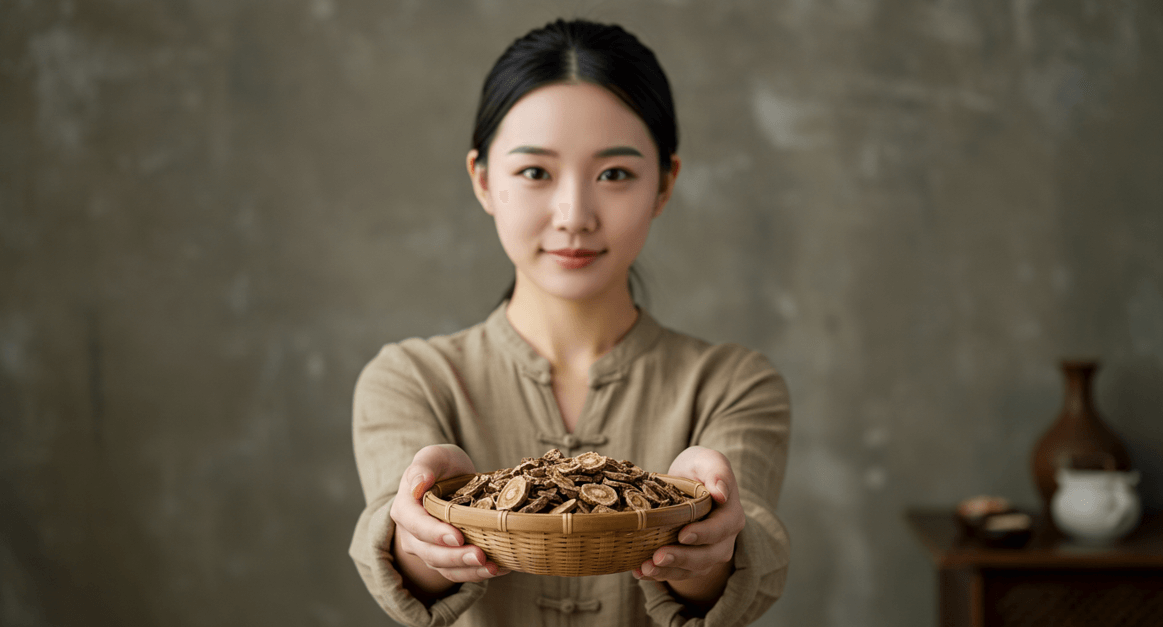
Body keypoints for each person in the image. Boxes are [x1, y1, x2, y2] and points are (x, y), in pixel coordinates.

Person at [349, 17, 791, 627]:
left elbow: (746, 563)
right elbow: (400, 567)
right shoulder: (410, 378)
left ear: (664, 183)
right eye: (535, 172)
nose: (574, 215)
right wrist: (422, 532)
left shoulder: (734, 382)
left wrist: (706, 545)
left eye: (615, 174)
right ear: (482, 179)